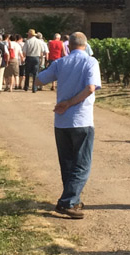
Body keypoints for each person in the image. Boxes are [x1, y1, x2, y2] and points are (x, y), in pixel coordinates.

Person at [36, 32, 102, 219]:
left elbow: (39, 80)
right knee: (82, 164)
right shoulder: (91, 62)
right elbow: (90, 88)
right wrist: (71, 102)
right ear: (85, 44)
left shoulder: (61, 63)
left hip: (62, 122)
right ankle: (67, 202)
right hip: (81, 119)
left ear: (69, 46)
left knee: (67, 163)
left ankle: (73, 198)